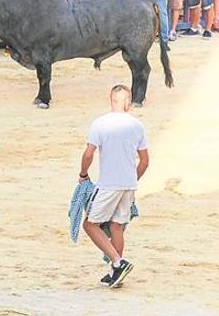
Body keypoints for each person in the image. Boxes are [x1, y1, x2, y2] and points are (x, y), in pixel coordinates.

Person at [78, 84, 149, 289]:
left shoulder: (100, 124)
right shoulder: (137, 125)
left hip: (108, 183)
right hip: (129, 184)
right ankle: (115, 273)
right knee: (117, 226)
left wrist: (83, 174)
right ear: (127, 102)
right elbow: (144, 161)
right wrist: (132, 179)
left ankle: (118, 263)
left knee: (90, 225)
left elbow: (89, 154)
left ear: (111, 101)